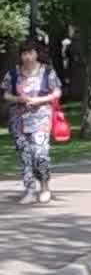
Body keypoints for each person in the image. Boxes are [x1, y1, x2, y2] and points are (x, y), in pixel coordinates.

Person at [6, 42, 62, 205]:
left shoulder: (47, 72)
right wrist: (18, 99)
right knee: (25, 156)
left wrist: (39, 100)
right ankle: (29, 190)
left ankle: (45, 187)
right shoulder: (13, 73)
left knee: (40, 154)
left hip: (41, 118)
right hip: (19, 120)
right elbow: (6, 94)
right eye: (24, 54)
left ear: (36, 54)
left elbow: (57, 91)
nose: (27, 57)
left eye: (30, 53)